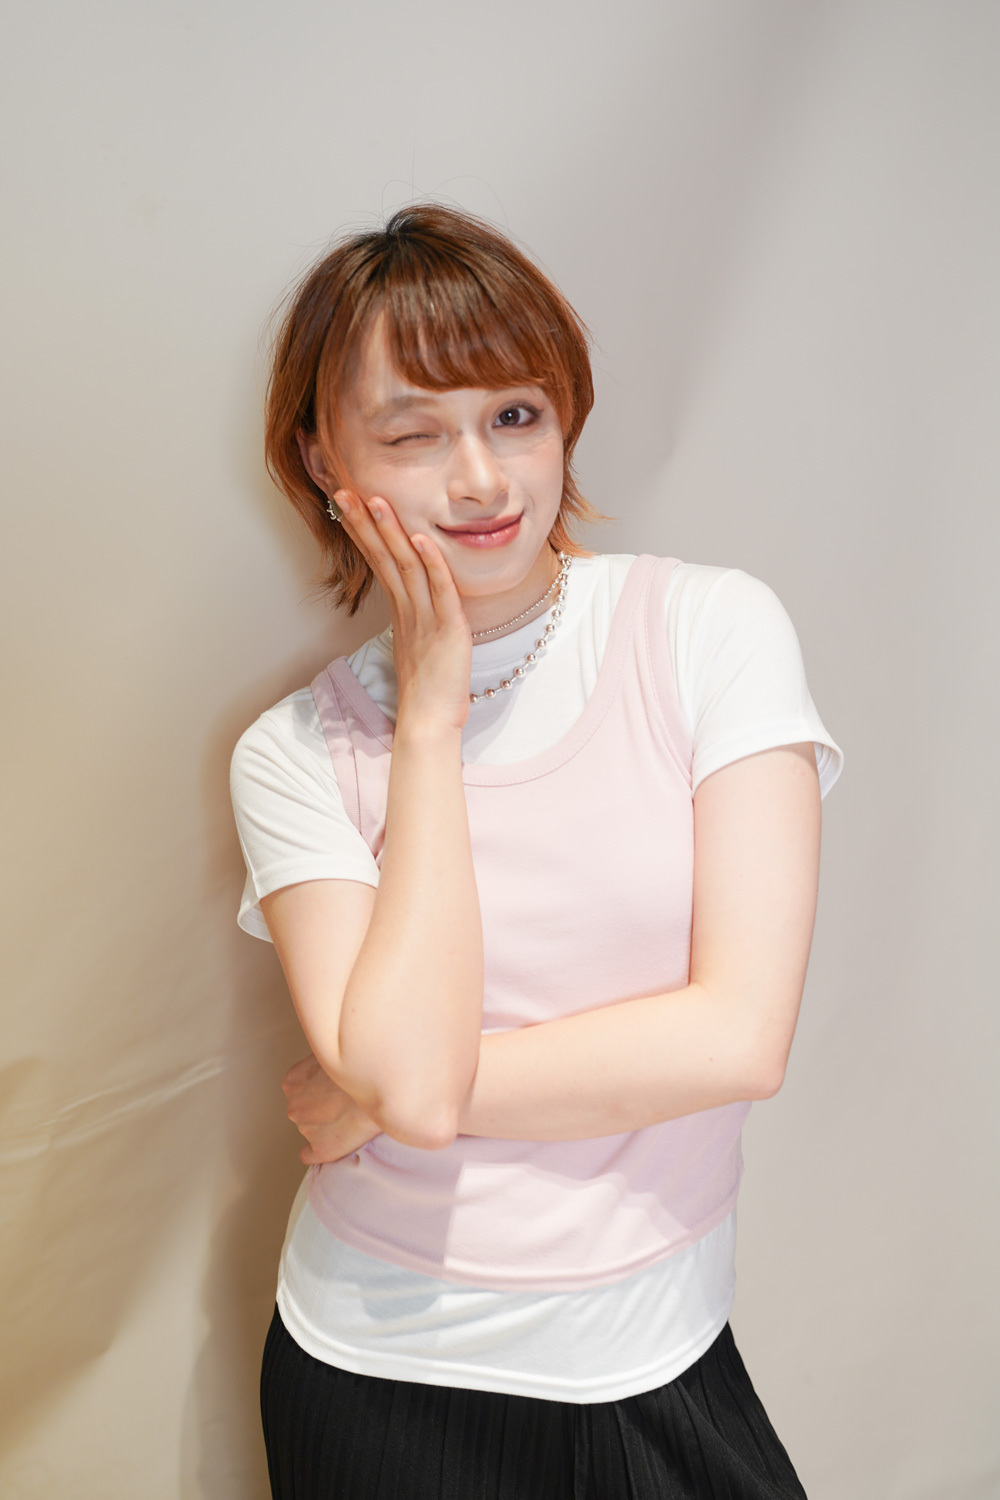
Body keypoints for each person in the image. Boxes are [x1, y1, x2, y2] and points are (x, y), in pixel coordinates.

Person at [229, 202, 844, 1500]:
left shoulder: (709, 635)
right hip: (374, 1373)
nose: (483, 481)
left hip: (653, 1350)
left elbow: (740, 1037)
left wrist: (380, 1096)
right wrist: (430, 721)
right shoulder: (292, 753)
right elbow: (416, 1089)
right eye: (414, 433)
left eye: (515, 415)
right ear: (324, 460)